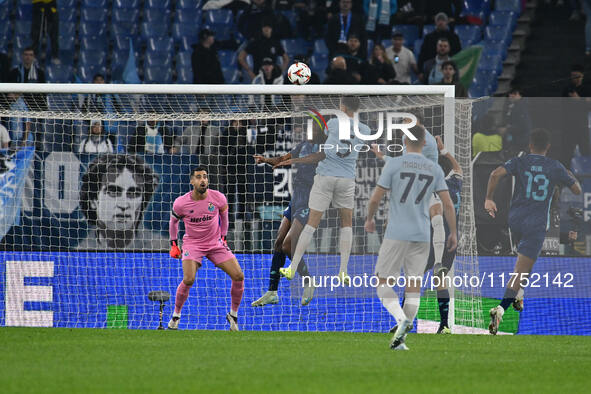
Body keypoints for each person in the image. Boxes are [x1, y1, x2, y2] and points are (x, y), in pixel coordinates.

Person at [365, 124, 457, 350]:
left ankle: (401, 320)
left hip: (398, 231)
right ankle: (402, 336)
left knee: (383, 282)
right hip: (424, 236)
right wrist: (453, 232)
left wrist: (369, 218)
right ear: (426, 144)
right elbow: (446, 205)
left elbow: (376, 198)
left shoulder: (396, 164)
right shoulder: (433, 170)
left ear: (404, 143)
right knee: (414, 285)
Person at [484, 129, 581, 335]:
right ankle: (500, 309)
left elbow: (494, 174)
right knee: (521, 270)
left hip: (516, 220)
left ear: (530, 145)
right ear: (548, 147)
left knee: (524, 263)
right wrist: (568, 175)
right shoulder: (555, 166)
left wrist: (489, 199)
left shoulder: (521, 161)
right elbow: (577, 190)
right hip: (536, 224)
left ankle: (520, 294)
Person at [280, 96, 371, 284]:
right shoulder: (365, 130)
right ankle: (343, 271)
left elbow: (321, 138)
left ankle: (293, 267)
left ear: (342, 107)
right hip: (346, 179)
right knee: (347, 223)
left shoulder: (333, 123)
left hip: (325, 176)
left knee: (312, 223)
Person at [251, 121, 327, 307]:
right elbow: (282, 159)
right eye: (309, 128)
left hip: (312, 198)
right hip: (296, 197)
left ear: (321, 131)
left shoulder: (325, 148)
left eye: (314, 128)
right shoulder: (302, 146)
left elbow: (312, 160)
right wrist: (266, 160)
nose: (310, 131)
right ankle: (272, 292)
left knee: (287, 245)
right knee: (278, 242)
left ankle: (309, 281)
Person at [167, 167, 245, 331]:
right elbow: (173, 222)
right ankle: (176, 316)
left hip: (215, 244)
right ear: (192, 181)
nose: (202, 180)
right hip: (193, 244)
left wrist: (223, 237)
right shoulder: (181, 202)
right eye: (198, 177)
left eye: (205, 177)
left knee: (238, 276)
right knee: (189, 279)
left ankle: (233, 315)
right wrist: (174, 244)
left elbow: (225, 216)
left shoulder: (218, 198)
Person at [77, 154, 168, 251]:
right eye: (113, 192)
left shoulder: (165, 248)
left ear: (143, 201)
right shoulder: (76, 254)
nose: (123, 205)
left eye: (133, 194)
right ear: (93, 201)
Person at [32, 0, 59, 64]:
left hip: (51, 4)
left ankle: (54, 56)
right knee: (37, 32)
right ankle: (33, 55)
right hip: (38, 3)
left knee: (54, 32)